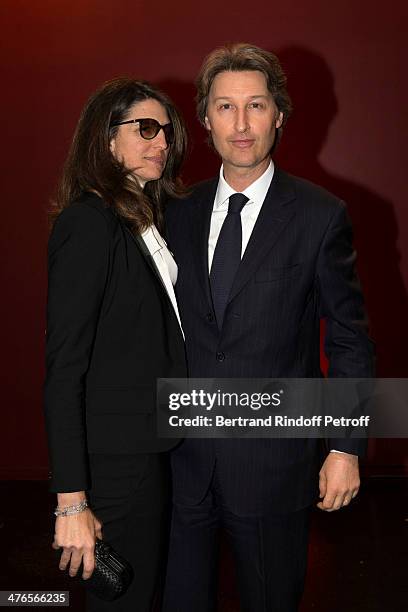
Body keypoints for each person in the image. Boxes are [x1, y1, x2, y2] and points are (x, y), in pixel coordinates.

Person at [162, 44, 375, 612]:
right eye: (225, 107)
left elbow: (350, 338)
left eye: (255, 105)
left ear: (279, 114)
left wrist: (346, 448)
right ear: (204, 120)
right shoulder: (173, 211)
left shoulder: (319, 215)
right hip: (182, 464)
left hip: (273, 464)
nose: (241, 124)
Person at [44, 77, 187, 612]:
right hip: (112, 466)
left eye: (166, 132)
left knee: (142, 593)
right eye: (145, 128)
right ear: (105, 140)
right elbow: (63, 369)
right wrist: (71, 501)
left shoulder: (140, 220)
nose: (161, 142)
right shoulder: (89, 222)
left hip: (148, 450)